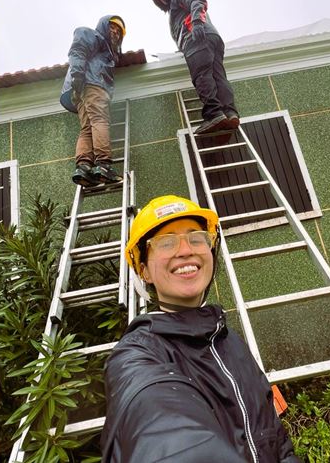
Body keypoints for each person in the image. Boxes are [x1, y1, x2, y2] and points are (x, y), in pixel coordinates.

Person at [100, 195, 300, 462]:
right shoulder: (137, 355)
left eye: (196, 238)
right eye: (166, 242)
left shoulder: (229, 341)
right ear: (144, 271)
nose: (185, 250)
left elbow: (276, 440)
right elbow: (161, 429)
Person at [151, 0, 240, 134]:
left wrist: (197, 22)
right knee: (218, 77)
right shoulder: (176, 6)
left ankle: (214, 114)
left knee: (202, 75)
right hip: (210, 37)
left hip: (196, 37)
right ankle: (229, 113)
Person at [60, 15, 126, 187]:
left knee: (87, 127)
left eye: (119, 32)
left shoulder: (105, 50)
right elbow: (77, 50)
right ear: (103, 25)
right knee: (99, 120)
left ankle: (83, 167)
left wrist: (77, 79)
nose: (115, 32)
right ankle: (103, 165)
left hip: (80, 89)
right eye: (112, 27)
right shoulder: (93, 36)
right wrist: (78, 75)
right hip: (92, 83)